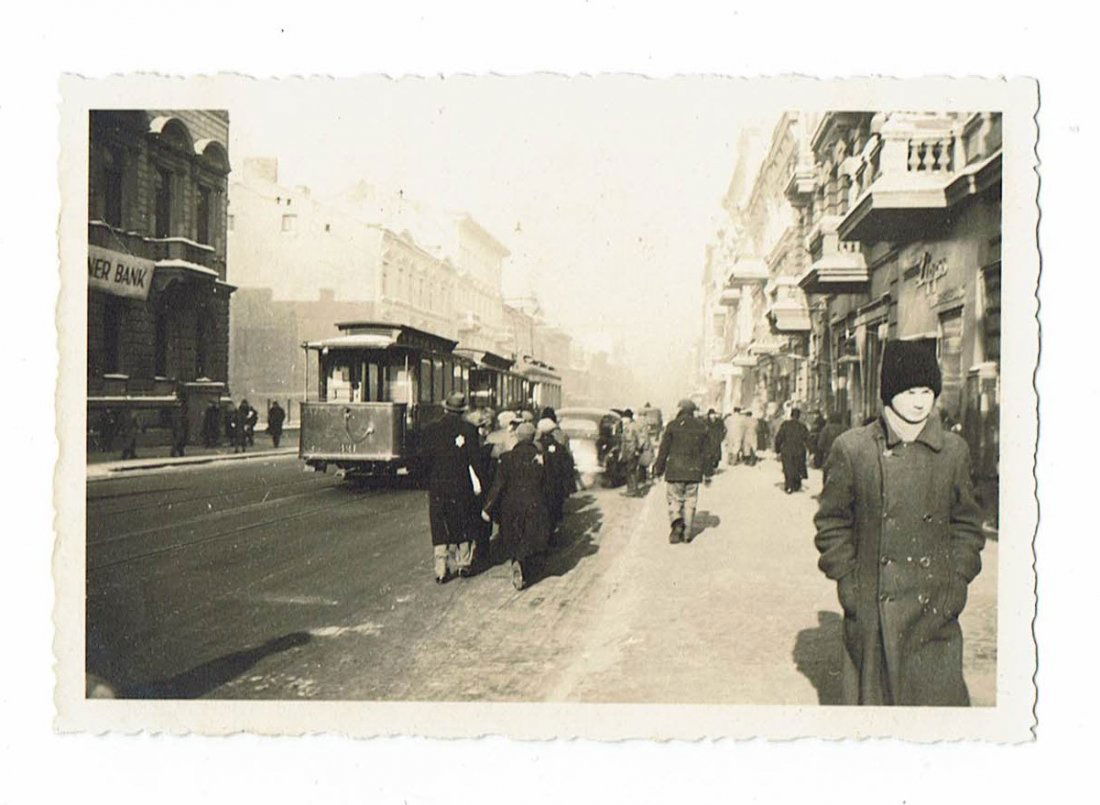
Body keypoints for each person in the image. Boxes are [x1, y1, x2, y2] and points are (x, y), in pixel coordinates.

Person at [814, 340, 985, 706]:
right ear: (890, 391)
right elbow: (831, 523)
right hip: (874, 613)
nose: (920, 401)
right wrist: (850, 583)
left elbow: (968, 524)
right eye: (910, 391)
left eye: (927, 390)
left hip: (935, 612)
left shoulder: (953, 451)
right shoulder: (854, 448)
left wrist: (957, 581)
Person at [422, 392, 485, 583]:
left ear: (445, 408)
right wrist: (483, 482)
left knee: (440, 525)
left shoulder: (432, 429)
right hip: (461, 485)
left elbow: (425, 460)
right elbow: (476, 461)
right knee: (462, 522)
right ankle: (464, 564)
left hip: (438, 486)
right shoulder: (469, 429)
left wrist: (429, 481)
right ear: (463, 410)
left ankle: (441, 570)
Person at [482, 421, 552, 590]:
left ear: (518, 438)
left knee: (515, 538)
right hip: (534, 505)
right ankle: (525, 567)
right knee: (530, 539)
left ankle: (517, 563)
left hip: (511, 507)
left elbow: (498, 486)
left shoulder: (506, 458)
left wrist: (487, 508)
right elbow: (549, 486)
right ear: (533, 437)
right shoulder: (543, 459)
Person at [652, 398, 714, 544]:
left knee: (674, 499)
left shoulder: (672, 425)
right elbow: (707, 453)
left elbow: (663, 450)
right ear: (693, 411)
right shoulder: (702, 426)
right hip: (694, 471)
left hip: (675, 470)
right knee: (690, 501)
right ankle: (687, 534)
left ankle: (676, 523)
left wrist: (658, 469)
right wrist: (708, 473)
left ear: (680, 409)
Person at [537, 416, 575, 540]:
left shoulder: (537, 445)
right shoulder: (558, 445)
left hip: (541, 483)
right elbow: (566, 463)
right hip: (555, 483)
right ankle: (551, 535)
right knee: (553, 509)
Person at [774, 407, 811, 493]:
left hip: (787, 449)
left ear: (791, 415)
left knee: (788, 467)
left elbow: (779, 437)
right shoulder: (802, 426)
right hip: (799, 450)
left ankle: (789, 485)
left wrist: (777, 449)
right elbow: (808, 439)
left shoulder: (785, 425)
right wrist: (811, 449)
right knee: (798, 466)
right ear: (799, 416)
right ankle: (797, 484)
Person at [815, 413, 847, 480]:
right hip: (843, 457)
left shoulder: (826, 429)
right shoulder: (845, 429)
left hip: (828, 455)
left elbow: (820, 444)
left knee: (827, 475)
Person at [620, 409, 644, 496]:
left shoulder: (633, 427)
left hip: (632, 452)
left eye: (624, 418)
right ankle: (630, 490)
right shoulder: (628, 426)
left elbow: (641, 439)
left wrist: (637, 450)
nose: (623, 419)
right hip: (628, 452)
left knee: (631, 471)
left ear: (628, 418)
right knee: (629, 472)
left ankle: (634, 491)